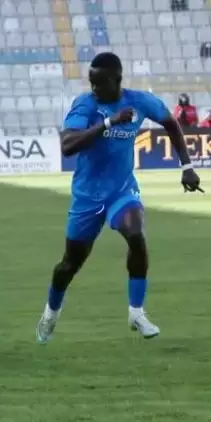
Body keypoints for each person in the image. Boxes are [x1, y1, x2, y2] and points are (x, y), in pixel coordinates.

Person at [36, 52, 202, 344]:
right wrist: (107, 123)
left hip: (122, 190)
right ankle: (51, 312)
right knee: (69, 264)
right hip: (87, 197)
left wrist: (187, 166)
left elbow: (171, 124)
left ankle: (136, 312)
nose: (94, 88)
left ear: (117, 80)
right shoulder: (85, 105)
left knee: (136, 234)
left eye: (100, 83)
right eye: (92, 82)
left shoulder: (139, 101)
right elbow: (67, 145)